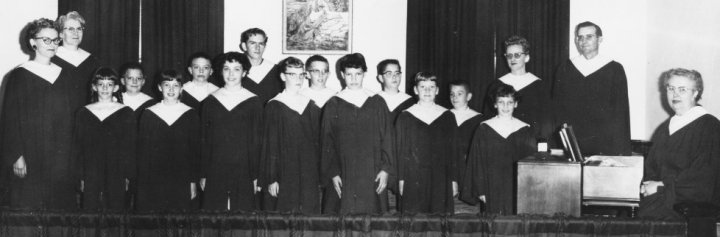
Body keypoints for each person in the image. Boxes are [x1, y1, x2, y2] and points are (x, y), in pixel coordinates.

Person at [1, 18, 78, 209]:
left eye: (56, 40)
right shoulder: (19, 75)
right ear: (33, 42)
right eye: (46, 40)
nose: (53, 45)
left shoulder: (65, 75)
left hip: (60, 154)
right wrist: (17, 154)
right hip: (30, 152)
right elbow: (10, 119)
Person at [639, 68, 720, 220]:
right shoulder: (664, 128)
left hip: (689, 208)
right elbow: (652, 167)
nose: (675, 94)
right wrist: (649, 185)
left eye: (682, 89)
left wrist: (661, 187)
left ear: (695, 93)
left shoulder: (709, 126)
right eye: (671, 88)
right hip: (660, 200)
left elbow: (704, 178)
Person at [321, 53, 393, 214]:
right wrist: (333, 173)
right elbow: (327, 142)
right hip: (343, 173)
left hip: (372, 172)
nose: (353, 79)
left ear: (364, 74)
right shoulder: (334, 104)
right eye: (349, 74)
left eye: (358, 74)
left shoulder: (376, 102)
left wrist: (385, 169)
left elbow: (387, 138)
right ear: (342, 75)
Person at [552, 21, 631, 156]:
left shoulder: (614, 69)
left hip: (605, 143)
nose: (584, 41)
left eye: (589, 36)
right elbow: (557, 109)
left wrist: (620, 149)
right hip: (573, 141)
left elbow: (620, 111)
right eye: (580, 37)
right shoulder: (565, 68)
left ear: (600, 39)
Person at [200, 52, 263, 211]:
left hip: (244, 167)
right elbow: (204, 140)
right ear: (220, 72)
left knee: (242, 215)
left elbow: (257, 141)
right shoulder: (210, 101)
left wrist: (256, 175)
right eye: (226, 69)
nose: (231, 74)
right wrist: (203, 173)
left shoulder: (253, 101)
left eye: (236, 69)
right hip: (216, 165)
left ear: (245, 72)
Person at [461, 84, 536, 214]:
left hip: (517, 186)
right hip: (491, 185)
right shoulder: (484, 129)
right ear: (495, 104)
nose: (505, 107)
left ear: (516, 104)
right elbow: (477, 162)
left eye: (510, 102)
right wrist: (481, 190)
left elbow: (531, 165)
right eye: (501, 102)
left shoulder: (525, 129)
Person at [260, 57, 322, 214]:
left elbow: (317, 142)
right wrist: (272, 178)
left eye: (301, 75)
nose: (298, 79)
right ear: (283, 76)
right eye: (293, 74)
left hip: (308, 170)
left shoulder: (311, 105)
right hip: (284, 170)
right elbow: (270, 145)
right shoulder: (275, 105)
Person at [136, 70, 200, 211]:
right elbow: (143, 152)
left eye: (175, 85)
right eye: (166, 85)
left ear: (181, 88)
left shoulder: (190, 114)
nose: (171, 90)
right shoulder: (149, 113)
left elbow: (194, 152)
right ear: (160, 87)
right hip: (154, 177)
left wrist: (192, 181)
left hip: (182, 177)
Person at [73, 67, 136, 210]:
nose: (105, 88)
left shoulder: (126, 112)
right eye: (101, 84)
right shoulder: (83, 112)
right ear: (94, 87)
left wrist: (127, 175)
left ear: (116, 88)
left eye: (109, 84)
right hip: (91, 170)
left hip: (117, 169)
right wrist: (81, 176)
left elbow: (130, 147)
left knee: (116, 208)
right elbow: (78, 147)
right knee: (91, 209)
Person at [395, 72, 457, 214]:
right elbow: (400, 150)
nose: (427, 91)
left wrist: (454, 179)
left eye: (431, 87)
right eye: (423, 87)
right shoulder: (405, 116)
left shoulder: (447, 116)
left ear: (437, 90)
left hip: (441, 176)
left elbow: (453, 150)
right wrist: (401, 179)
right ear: (416, 90)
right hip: (413, 176)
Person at [484, 36, 549, 139]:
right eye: (509, 55)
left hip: (530, 143)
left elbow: (545, 122)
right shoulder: (496, 85)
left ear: (527, 57)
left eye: (517, 55)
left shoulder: (539, 86)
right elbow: (488, 118)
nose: (513, 59)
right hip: (500, 140)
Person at [448, 80, 484, 212]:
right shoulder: (443, 116)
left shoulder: (479, 119)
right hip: (449, 167)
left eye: (459, 93)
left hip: (467, 168)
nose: (455, 97)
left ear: (469, 97)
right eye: (452, 94)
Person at [52, 11, 101, 107]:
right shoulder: (52, 58)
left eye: (79, 29)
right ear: (61, 34)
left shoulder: (92, 61)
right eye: (70, 29)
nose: (76, 33)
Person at [239, 28, 283, 103]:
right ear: (244, 46)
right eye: (252, 43)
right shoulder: (235, 70)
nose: (257, 47)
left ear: (265, 46)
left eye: (261, 44)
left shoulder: (276, 70)